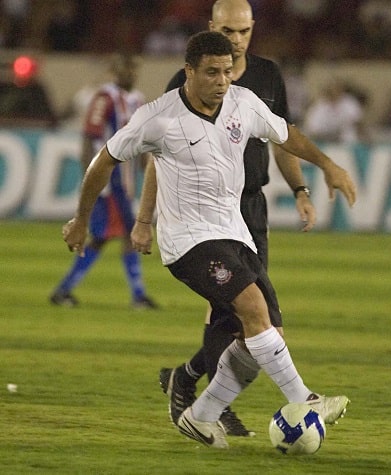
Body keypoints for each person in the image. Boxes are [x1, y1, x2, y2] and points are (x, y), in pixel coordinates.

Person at [63, 30, 357, 450]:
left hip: (235, 233)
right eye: (212, 72)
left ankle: (200, 417)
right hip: (187, 242)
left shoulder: (243, 102)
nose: (222, 81)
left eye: (227, 72)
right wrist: (82, 218)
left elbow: (286, 135)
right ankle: (305, 401)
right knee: (254, 310)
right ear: (189, 72)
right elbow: (104, 160)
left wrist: (327, 165)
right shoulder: (159, 118)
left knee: (261, 336)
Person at [131, 0, 319, 438]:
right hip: (203, 212)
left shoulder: (269, 76)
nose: (236, 40)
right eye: (228, 31)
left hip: (250, 208)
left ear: (253, 29)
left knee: (254, 321)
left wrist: (301, 190)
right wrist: (144, 218)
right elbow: (159, 158)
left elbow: (283, 139)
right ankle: (213, 406)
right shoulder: (189, 78)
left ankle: (188, 380)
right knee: (242, 313)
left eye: (244, 31)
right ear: (212, 27)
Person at [50, 53, 157, 310]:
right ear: (114, 71)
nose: (128, 74)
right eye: (123, 69)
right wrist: (92, 177)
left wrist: (149, 169)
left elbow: (142, 142)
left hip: (126, 181)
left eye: (132, 69)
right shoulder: (104, 98)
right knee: (125, 233)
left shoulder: (138, 100)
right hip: (109, 182)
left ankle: (63, 290)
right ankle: (138, 296)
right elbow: (90, 137)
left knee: (106, 236)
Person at [302, 76, 367, 144]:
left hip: (347, 143)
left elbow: (359, 122)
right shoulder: (319, 106)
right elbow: (312, 128)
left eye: (337, 89)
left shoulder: (350, 103)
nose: (335, 92)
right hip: (324, 143)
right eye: (332, 89)